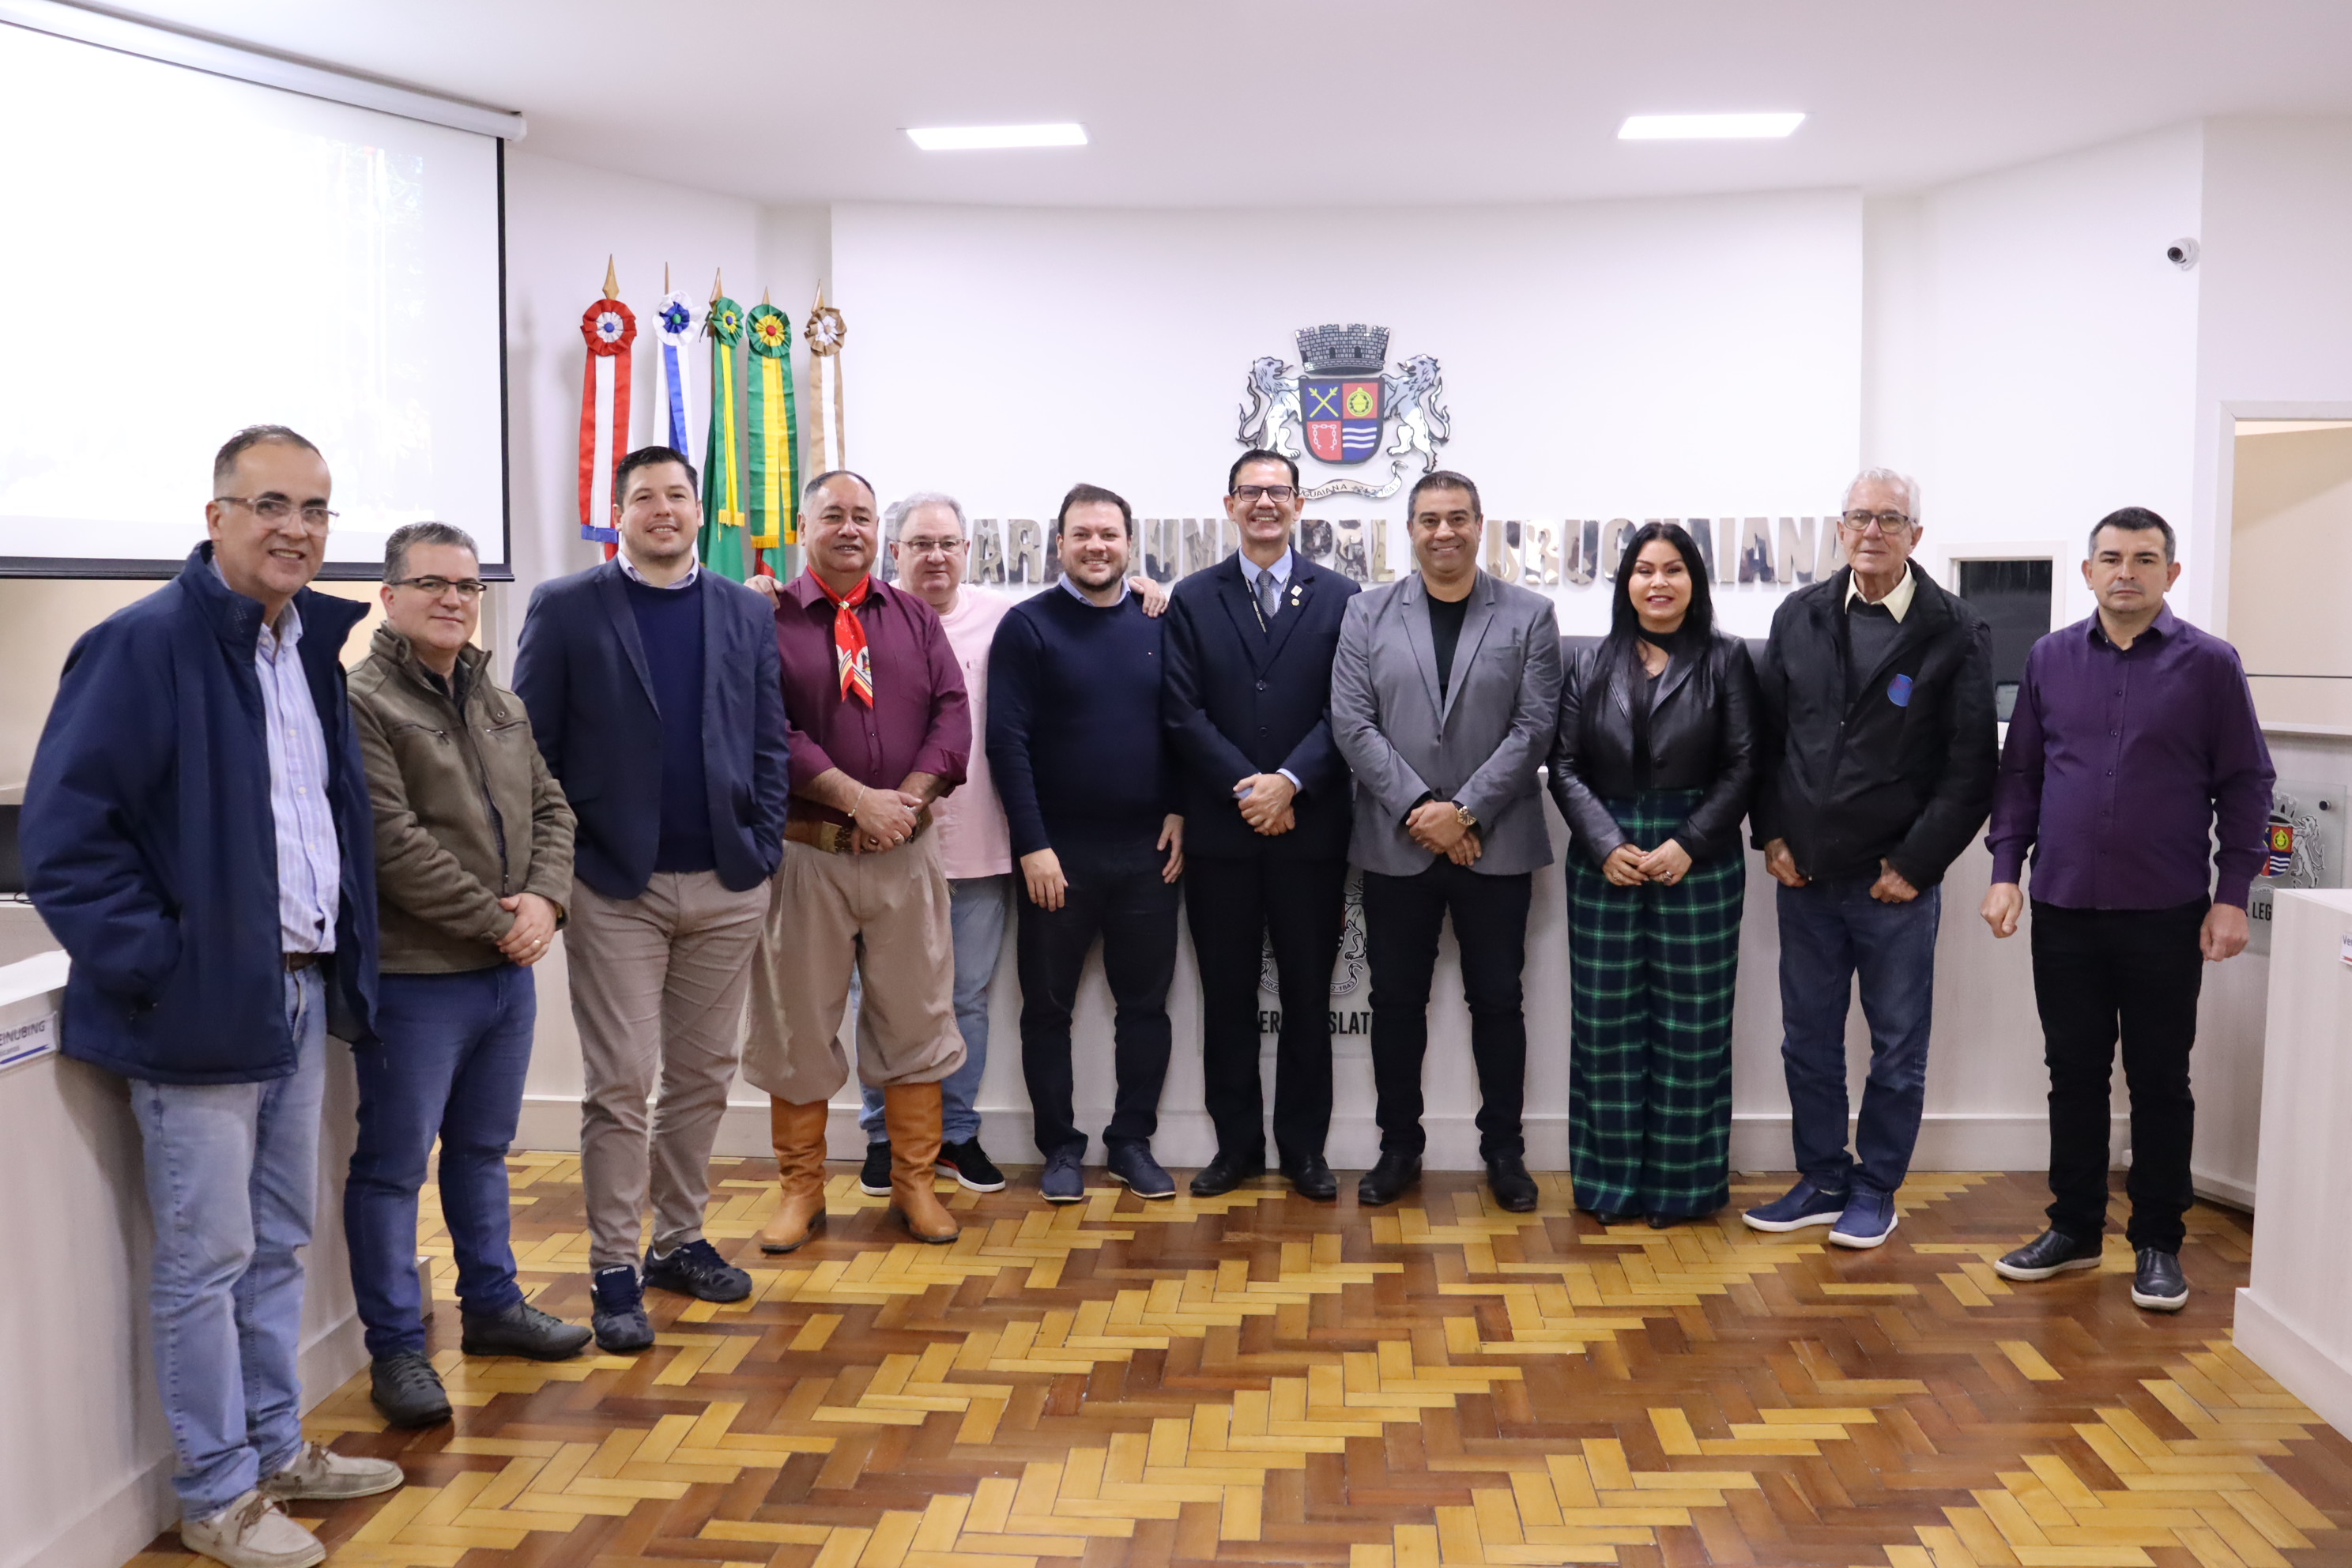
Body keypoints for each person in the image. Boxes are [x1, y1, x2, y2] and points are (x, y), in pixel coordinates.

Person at [22, 425, 403, 1567]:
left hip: (293, 998)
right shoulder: (138, 647)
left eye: (317, 510)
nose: (297, 528)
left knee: (279, 1243)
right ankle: (215, 1493)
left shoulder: (306, 652)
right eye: (271, 503)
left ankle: (278, 1448)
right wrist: (168, 966)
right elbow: (68, 844)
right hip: (196, 1015)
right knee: (209, 1258)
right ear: (217, 517)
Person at [746, 498, 1169, 1200]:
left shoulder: (1003, 618)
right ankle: (880, 1145)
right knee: (856, 1003)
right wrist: (863, 804)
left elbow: (965, 716)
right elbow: (770, 724)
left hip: (968, 847)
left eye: (948, 543)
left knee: (957, 1002)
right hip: (833, 848)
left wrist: (1151, 589)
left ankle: (954, 1138)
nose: (935, 556)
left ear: (968, 549)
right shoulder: (784, 616)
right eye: (920, 543)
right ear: (895, 548)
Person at [513, 445, 791, 1352]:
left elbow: (768, 739)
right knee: (623, 1080)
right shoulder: (566, 606)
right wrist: (558, 873)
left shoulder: (746, 611)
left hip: (727, 881)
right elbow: (532, 752)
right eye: (645, 498)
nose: (663, 510)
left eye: (678, 495)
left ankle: (678, 1239)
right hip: (613, 886)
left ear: (698, 509)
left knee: (705, 1074)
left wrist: (761, 845)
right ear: (619, 512)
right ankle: (612, 1265)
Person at [1981, 507, 2272, 1312]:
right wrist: (2006, 870)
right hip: (2063, 905)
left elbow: (2247, 786)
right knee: (2072, 1072)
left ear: (2171, 575)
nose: (2126, 572)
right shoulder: (2049, 659)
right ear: (2087, 571)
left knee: (2158, 1079)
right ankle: (2073, 1228)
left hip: (2166, 911)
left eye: (2145, 559)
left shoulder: (2212, 666)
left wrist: (2230, 897)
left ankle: (2157, 1242)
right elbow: (2021, 779)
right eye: (2111, 557)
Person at [345, 522, 592, 1430]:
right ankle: (399, 1350)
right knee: (391, 1170)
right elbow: (391, 845)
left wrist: (547, 904)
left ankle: (491, 1308)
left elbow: (552, 807)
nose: (454, 598)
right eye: (433, 583)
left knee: (485, 1150)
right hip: (417, 977)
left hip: (503, 972)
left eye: (467, 585)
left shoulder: (499, 699)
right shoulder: (363, 701)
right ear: (390, 596)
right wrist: (501, 918)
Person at [1744, 468, 1996, 1248]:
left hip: (1896, 887)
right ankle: (1822, 1176)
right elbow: (1767, 741)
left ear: (1916, 534)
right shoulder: (1799, 616)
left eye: (1891, 518)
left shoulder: (1955, 631)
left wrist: (1916, 864)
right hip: (1807, 877)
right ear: (1840, 528)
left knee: (1897, 1047)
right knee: (1807, 1039)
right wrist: (1772, 834)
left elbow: (1969, 770)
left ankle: (1875, 1187)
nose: (1873, 531)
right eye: (1860, 517)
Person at [741, 471, 971, 1251]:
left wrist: (899, 802)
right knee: (796, 1026)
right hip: (808, 857)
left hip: (905, 856)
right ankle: (801, 1193)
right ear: (803, 527)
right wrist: (853, 801)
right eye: (833, 515)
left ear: (881, 532)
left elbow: (951, 712)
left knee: (917, 1020)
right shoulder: (765, 617)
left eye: (862, 516)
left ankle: (916, 1186)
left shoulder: (913, 617)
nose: (849, 528)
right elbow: (769, 729)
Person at [1330, 470, 1562, 1212]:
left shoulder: (1530, 614)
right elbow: (1352, 724)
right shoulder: (1366, 614)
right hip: (1398, 846)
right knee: (1397, 1003)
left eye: (1458, 518)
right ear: (1411, 528)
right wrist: (1422, 810)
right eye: (1429, 519)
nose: (1444, 533)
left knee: (1499, 1001)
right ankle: (1399, 1147)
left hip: (1494, 846)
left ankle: (1506, 1154)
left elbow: (1535, 728)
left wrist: (1461, 812)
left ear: (1480, 524)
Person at [1163, 448, 1360, 1200]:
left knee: (1310, 997)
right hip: (1222, 836)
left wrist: (1289, 783)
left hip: (1309, 834)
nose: (1266, 504)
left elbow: (1349, 709)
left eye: (1279, 491)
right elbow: (1182, 711)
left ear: (1300, 504)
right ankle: (1236, 1147)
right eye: (1252, 492)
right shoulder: (1192, 597)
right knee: (1228, 996)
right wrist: (1250, 789)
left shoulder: (1343, 597)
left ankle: (1305, 1151)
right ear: (1229, 504)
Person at [1547, 522, 1757, 1228]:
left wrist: (1690, 842)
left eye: (1673, 569)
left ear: (1693, 581)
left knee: (1691, 1027)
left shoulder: (1727, 661)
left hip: (1698, 857)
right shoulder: (1587, 663)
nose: (1658, 582)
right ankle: (1608, 1185)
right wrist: (1605, 841)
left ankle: (1682, 1187)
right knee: (1605, 1025)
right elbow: (1566, 766)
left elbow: (1745, 766)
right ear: (1625, 582)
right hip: (1605, 857)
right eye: (1644, 570)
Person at [988, 483, 1186, 1203]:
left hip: (1147, 853)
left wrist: (1180, 810)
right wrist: (1033, 845)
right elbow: (1005, 742)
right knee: (1047, 1009)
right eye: (1082, 534)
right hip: (1057, 856)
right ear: (1060, 543)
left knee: (1146, 1008)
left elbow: (1181, 727)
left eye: (1109, 534)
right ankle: (1061, 1149)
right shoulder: (1028, 626)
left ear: (1129, 542)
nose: (1097, 546)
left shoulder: (1161, 619)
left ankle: (1131, 1141)